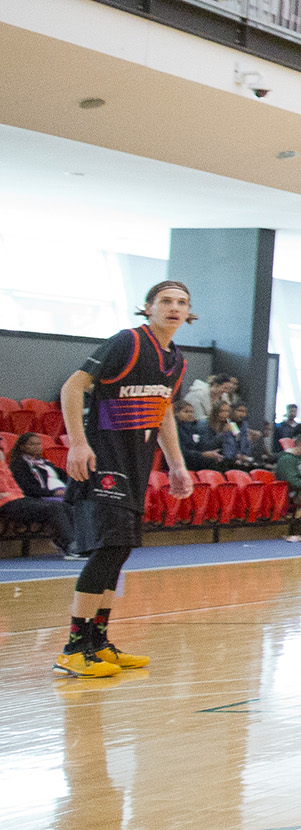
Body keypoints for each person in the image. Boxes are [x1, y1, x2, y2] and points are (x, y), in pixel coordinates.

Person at [53, 283, 195, 677]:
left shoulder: (177, 361)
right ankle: (74, 647)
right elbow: (72, 386)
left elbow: (163, 412)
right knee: (109, 547)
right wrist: (77, 444)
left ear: (188, 313)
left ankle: (98, 642)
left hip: (136, 464)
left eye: (181, 303)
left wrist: (177, 465)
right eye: (165, 301)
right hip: (103, 460)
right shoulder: (127, 342)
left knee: (120, 550)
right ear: (148, 308)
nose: (173, 307)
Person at [5, 432, 75, 556]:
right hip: (32, 498)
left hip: (44, 497)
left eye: (38, 444)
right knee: (55, 507)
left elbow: (63, 475)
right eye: (32, 444)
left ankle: (79, 543)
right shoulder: (19, 465)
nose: (37, 447)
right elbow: (28, 488)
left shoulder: (43, 462)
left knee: (69, 507)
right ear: (22, 447)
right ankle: (70, 545)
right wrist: (52, 493)